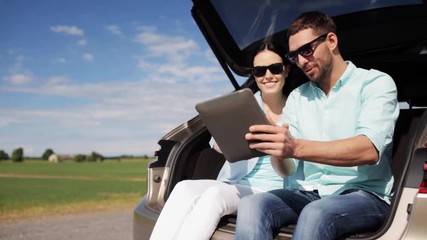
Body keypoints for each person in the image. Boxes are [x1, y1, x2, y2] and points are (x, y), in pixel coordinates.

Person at [235, 11, 399, 240]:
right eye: (295, 56)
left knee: (315, 214)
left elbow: (368, 150)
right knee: (252, 204)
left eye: (306, 50)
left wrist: (294, 147)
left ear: (331, 41)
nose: (301, 61)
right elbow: (288, 169)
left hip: (365, 195)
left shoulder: (375, 83)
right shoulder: (297, 97)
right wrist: (277, 149)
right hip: (309, 193)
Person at [149, 41, 296, 240]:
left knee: (214, 196)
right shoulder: (244, 104)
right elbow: (217, 147)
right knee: (183, 187)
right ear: (254, 75)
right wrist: (223, 136)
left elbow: (296, 163)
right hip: (235, 183)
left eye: (275, 68)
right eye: (259, 71)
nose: (268, 76)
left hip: (273, 190)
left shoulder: (299, 107)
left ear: (286, 70)